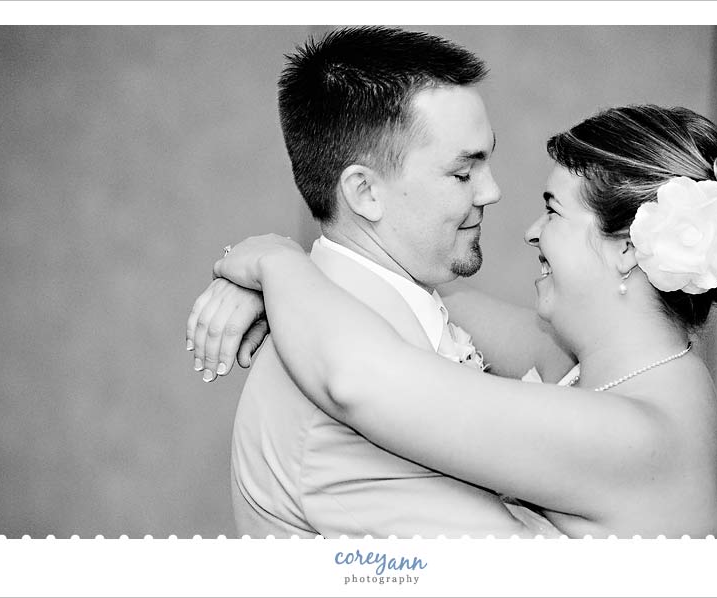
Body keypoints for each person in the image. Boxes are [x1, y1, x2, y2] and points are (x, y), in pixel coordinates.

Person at [191, 104, 717, 538]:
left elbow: (357, 378)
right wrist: (288, 291)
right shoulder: (638, 365)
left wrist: (275, 261)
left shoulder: (634, 438)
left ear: (628, 249)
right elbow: (428, 304)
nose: (529, 230)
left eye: (552, 211)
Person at [189, 26, 568, 538]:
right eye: (463, 173)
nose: (492, 191)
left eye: (488, 161)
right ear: (365, 192)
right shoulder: (341, 413)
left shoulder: (394, 306)